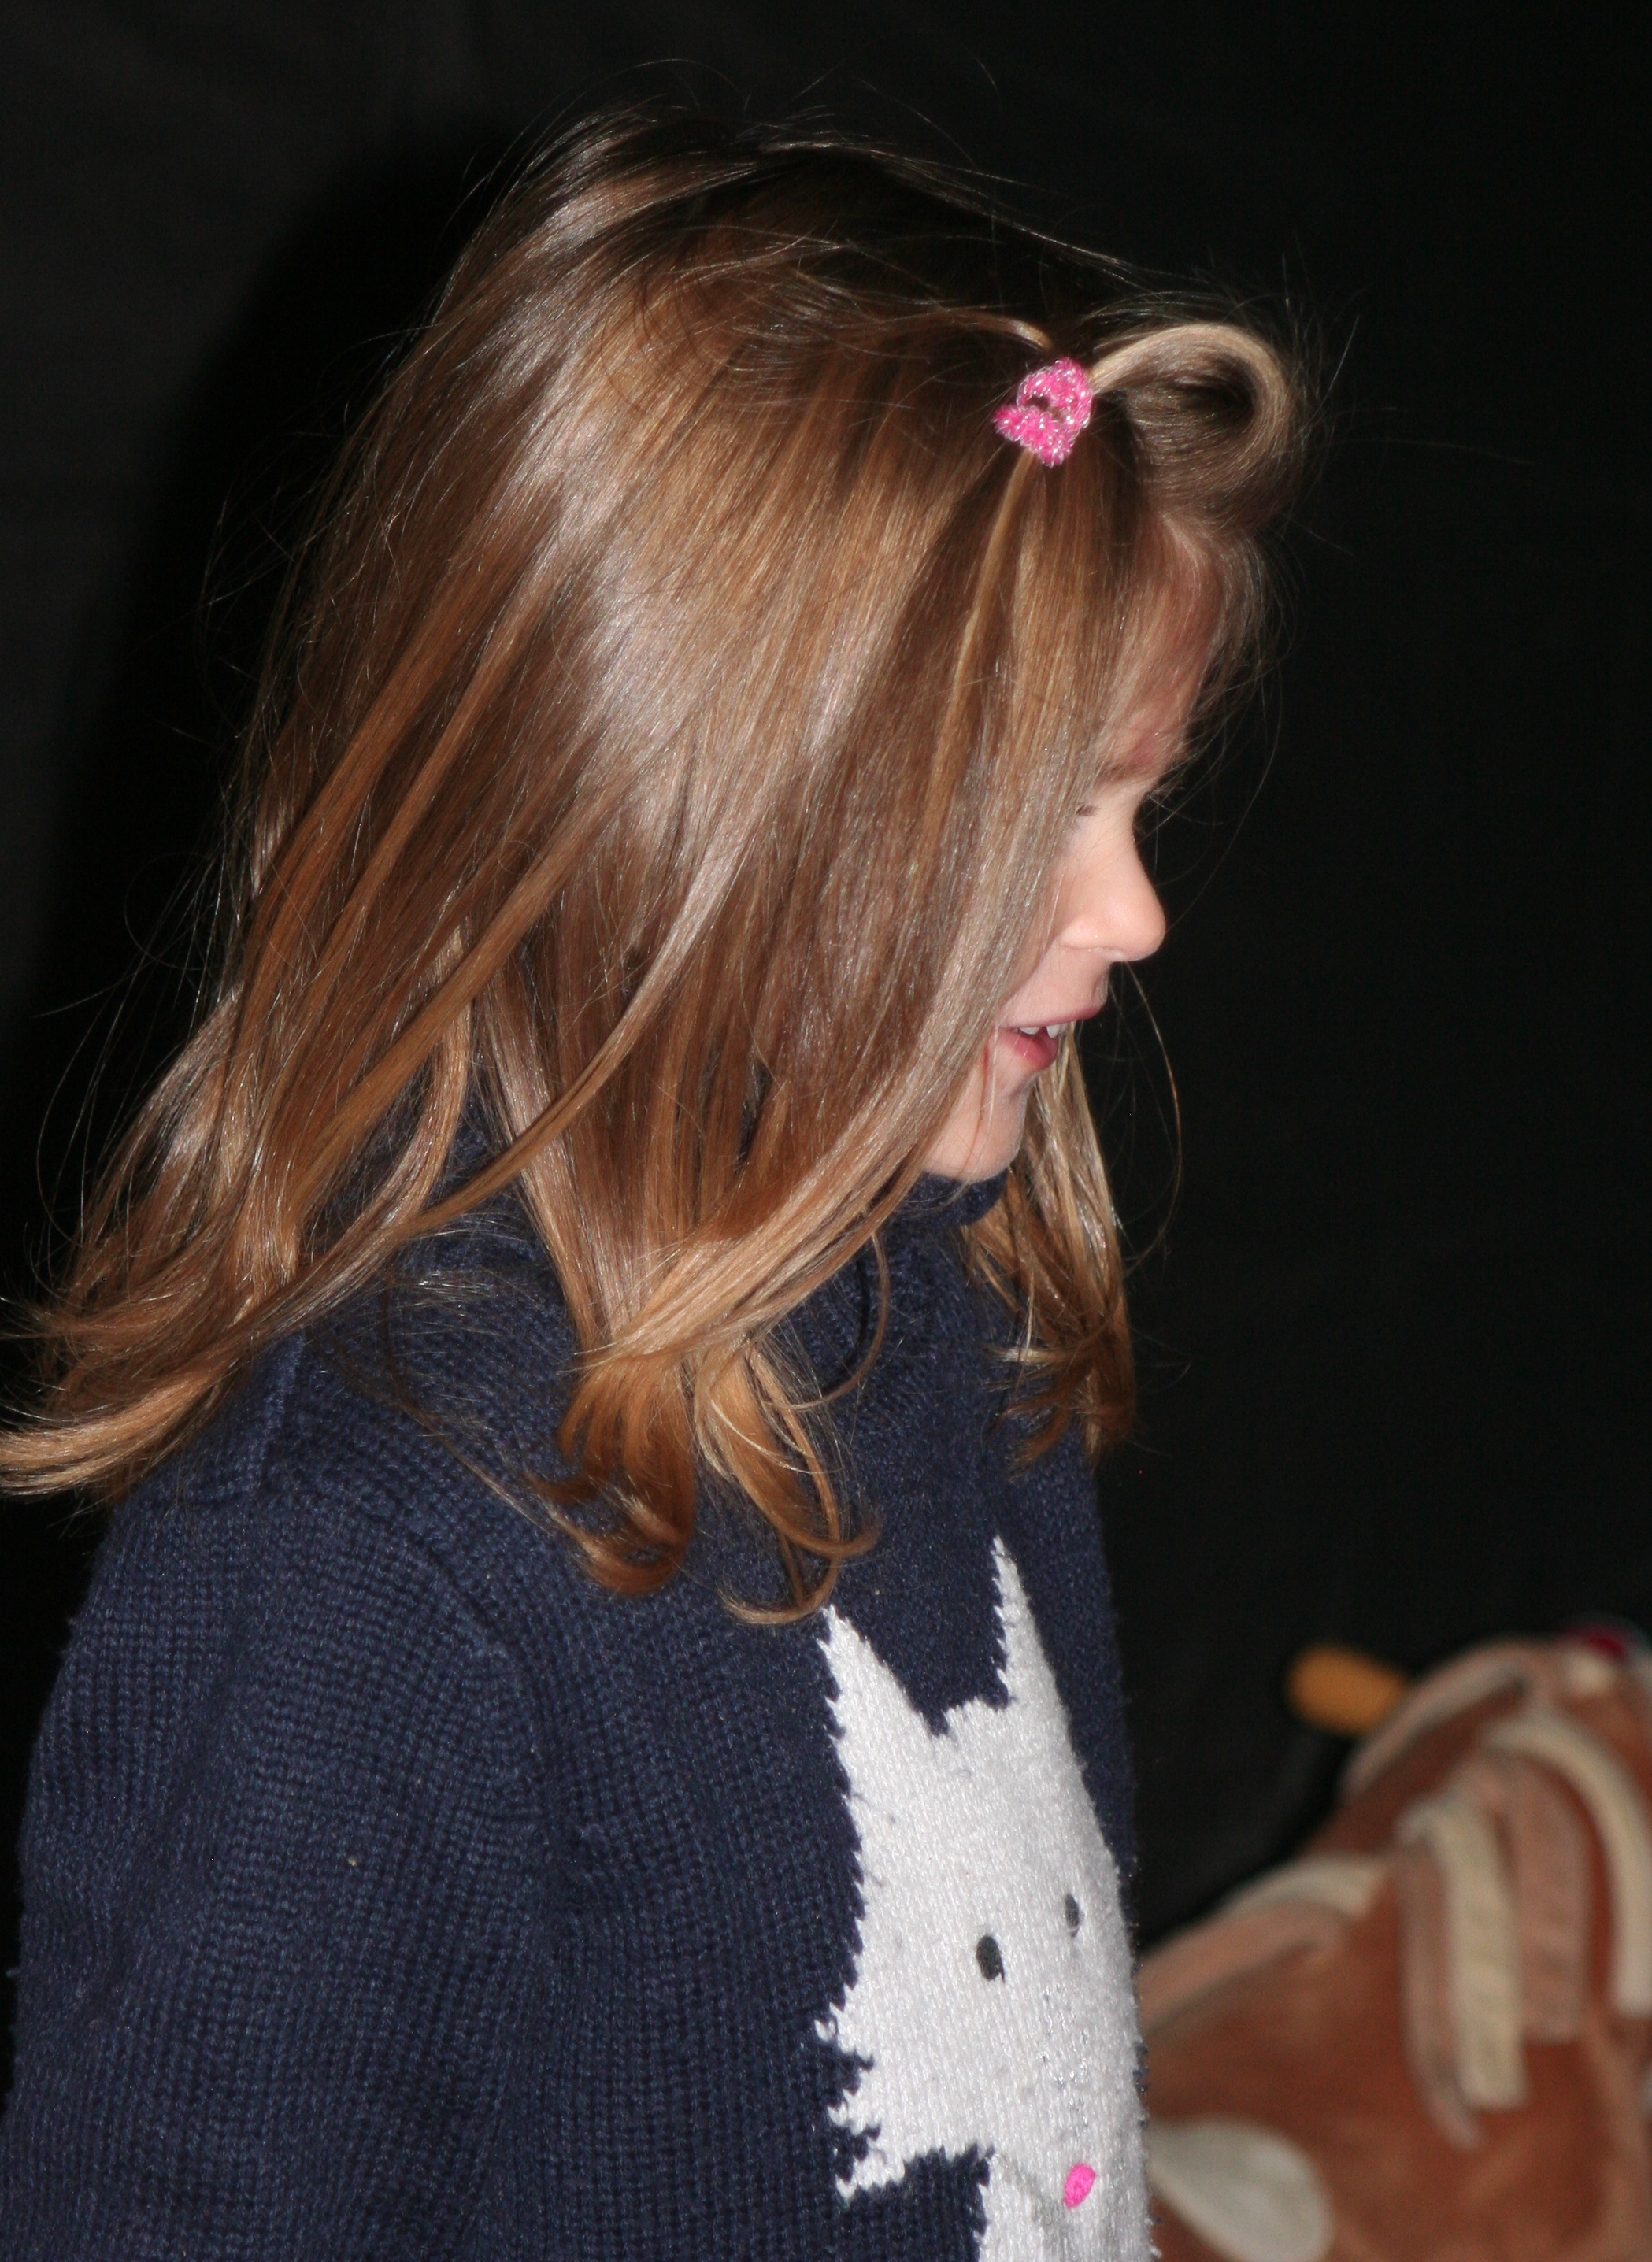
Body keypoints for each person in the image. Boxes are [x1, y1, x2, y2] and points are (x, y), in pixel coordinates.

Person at [0, 109, 1305, 2260]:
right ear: (685, 814)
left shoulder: (945, 1312)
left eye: (1138, 803)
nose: (1134, 912)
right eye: (1042, 819)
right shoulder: (360, 1561)